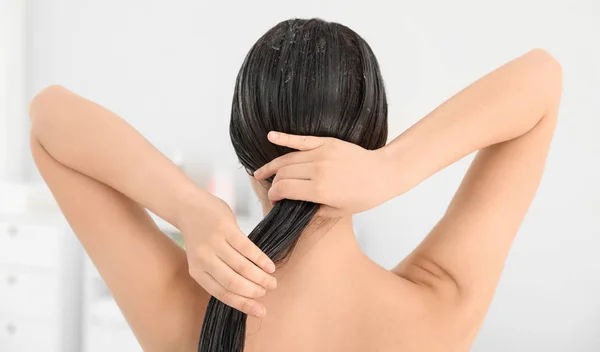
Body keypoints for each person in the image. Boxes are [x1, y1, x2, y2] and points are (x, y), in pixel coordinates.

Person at [29, 18, 562, 352]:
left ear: (243, 150)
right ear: (372, 140)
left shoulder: (184, 313)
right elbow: (541, 80)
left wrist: (189, 207)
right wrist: (391, 170)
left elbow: (48, 120)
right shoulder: (438, 308)